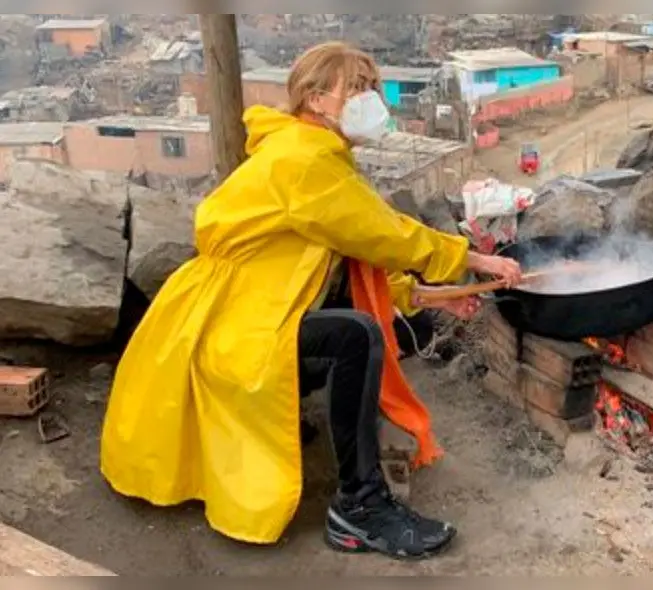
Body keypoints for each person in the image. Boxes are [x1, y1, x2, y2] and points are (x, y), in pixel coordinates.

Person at [100, 41, 521, 560]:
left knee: (358, 332)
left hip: (241, 310)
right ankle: (359, 507)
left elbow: (346, 263)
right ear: (318, 100)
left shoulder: (313, 155)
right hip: (228, 322)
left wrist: (428, 294)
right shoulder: (304, 161)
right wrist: (476, 261)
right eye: (358, 88)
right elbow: (384, 235)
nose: (372, 99)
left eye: (372, 87)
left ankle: (309, 446)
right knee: (357, 338)